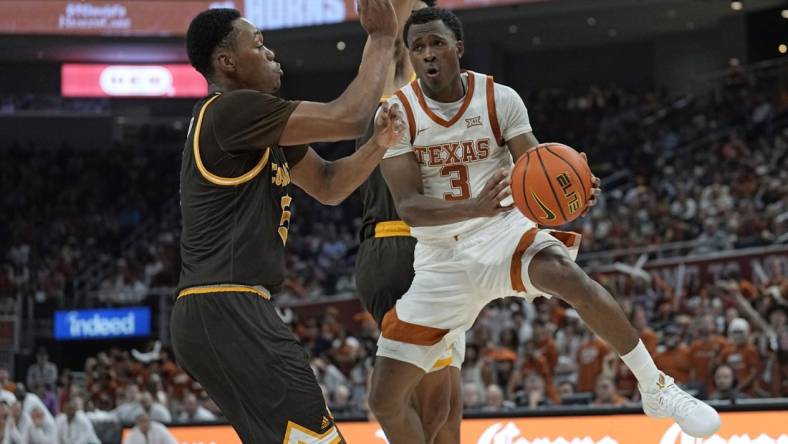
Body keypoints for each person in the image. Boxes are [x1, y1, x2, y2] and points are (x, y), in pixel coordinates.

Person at [369, 7, 721, 443]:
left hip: (501, 232)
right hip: (441, 259)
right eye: (417, 47)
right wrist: (474, 206)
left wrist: (570, 190)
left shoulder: (500, 99)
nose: (427, 54)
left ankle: (657, 388)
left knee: (565, 273)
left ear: (457, 47)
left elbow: (534, 167)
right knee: (384, 400)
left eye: (436, 43)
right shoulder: (396, 114)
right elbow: (409, 207)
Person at [170, 2, 404, 442]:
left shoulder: (254, 127)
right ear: (227, 63)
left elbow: (330, 185)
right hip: (225, 304)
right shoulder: (231, 110)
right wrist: (382, 38)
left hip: (220, 309)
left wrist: (377, 145)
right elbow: (348, 116)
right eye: (258, 44)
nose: (271, 52)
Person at [354, 0, 463, 442]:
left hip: (439, 253)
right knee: (429, 405)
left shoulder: (456, 106)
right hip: (401, 249)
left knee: (450, 408)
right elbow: (392, 44)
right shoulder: (394, 101)